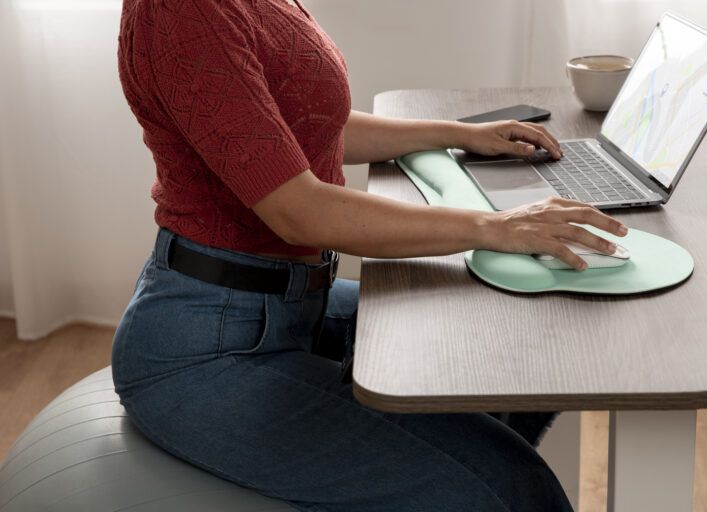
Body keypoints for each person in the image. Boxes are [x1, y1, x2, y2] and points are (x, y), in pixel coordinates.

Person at [111, 0, 628, 511]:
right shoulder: (184, 12)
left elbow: (305, 126)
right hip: (209, 347)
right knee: (509, 485)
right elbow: (300, 211)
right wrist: (497, 227)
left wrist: (458, 134)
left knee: (515, 345)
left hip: (288, 306)